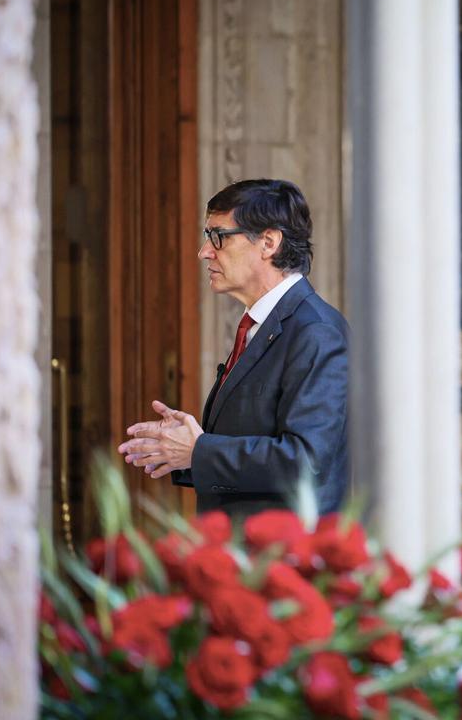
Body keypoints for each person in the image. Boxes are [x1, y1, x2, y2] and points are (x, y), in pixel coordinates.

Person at [119, 179, 349, 516]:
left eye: (218, 237)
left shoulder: (317, 331)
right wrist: (183, 449)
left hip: (284, 558)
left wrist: (199, 451)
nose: (204, 251)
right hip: (245, 556)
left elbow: (305, 460)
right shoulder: (261, 324)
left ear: (268, 243)